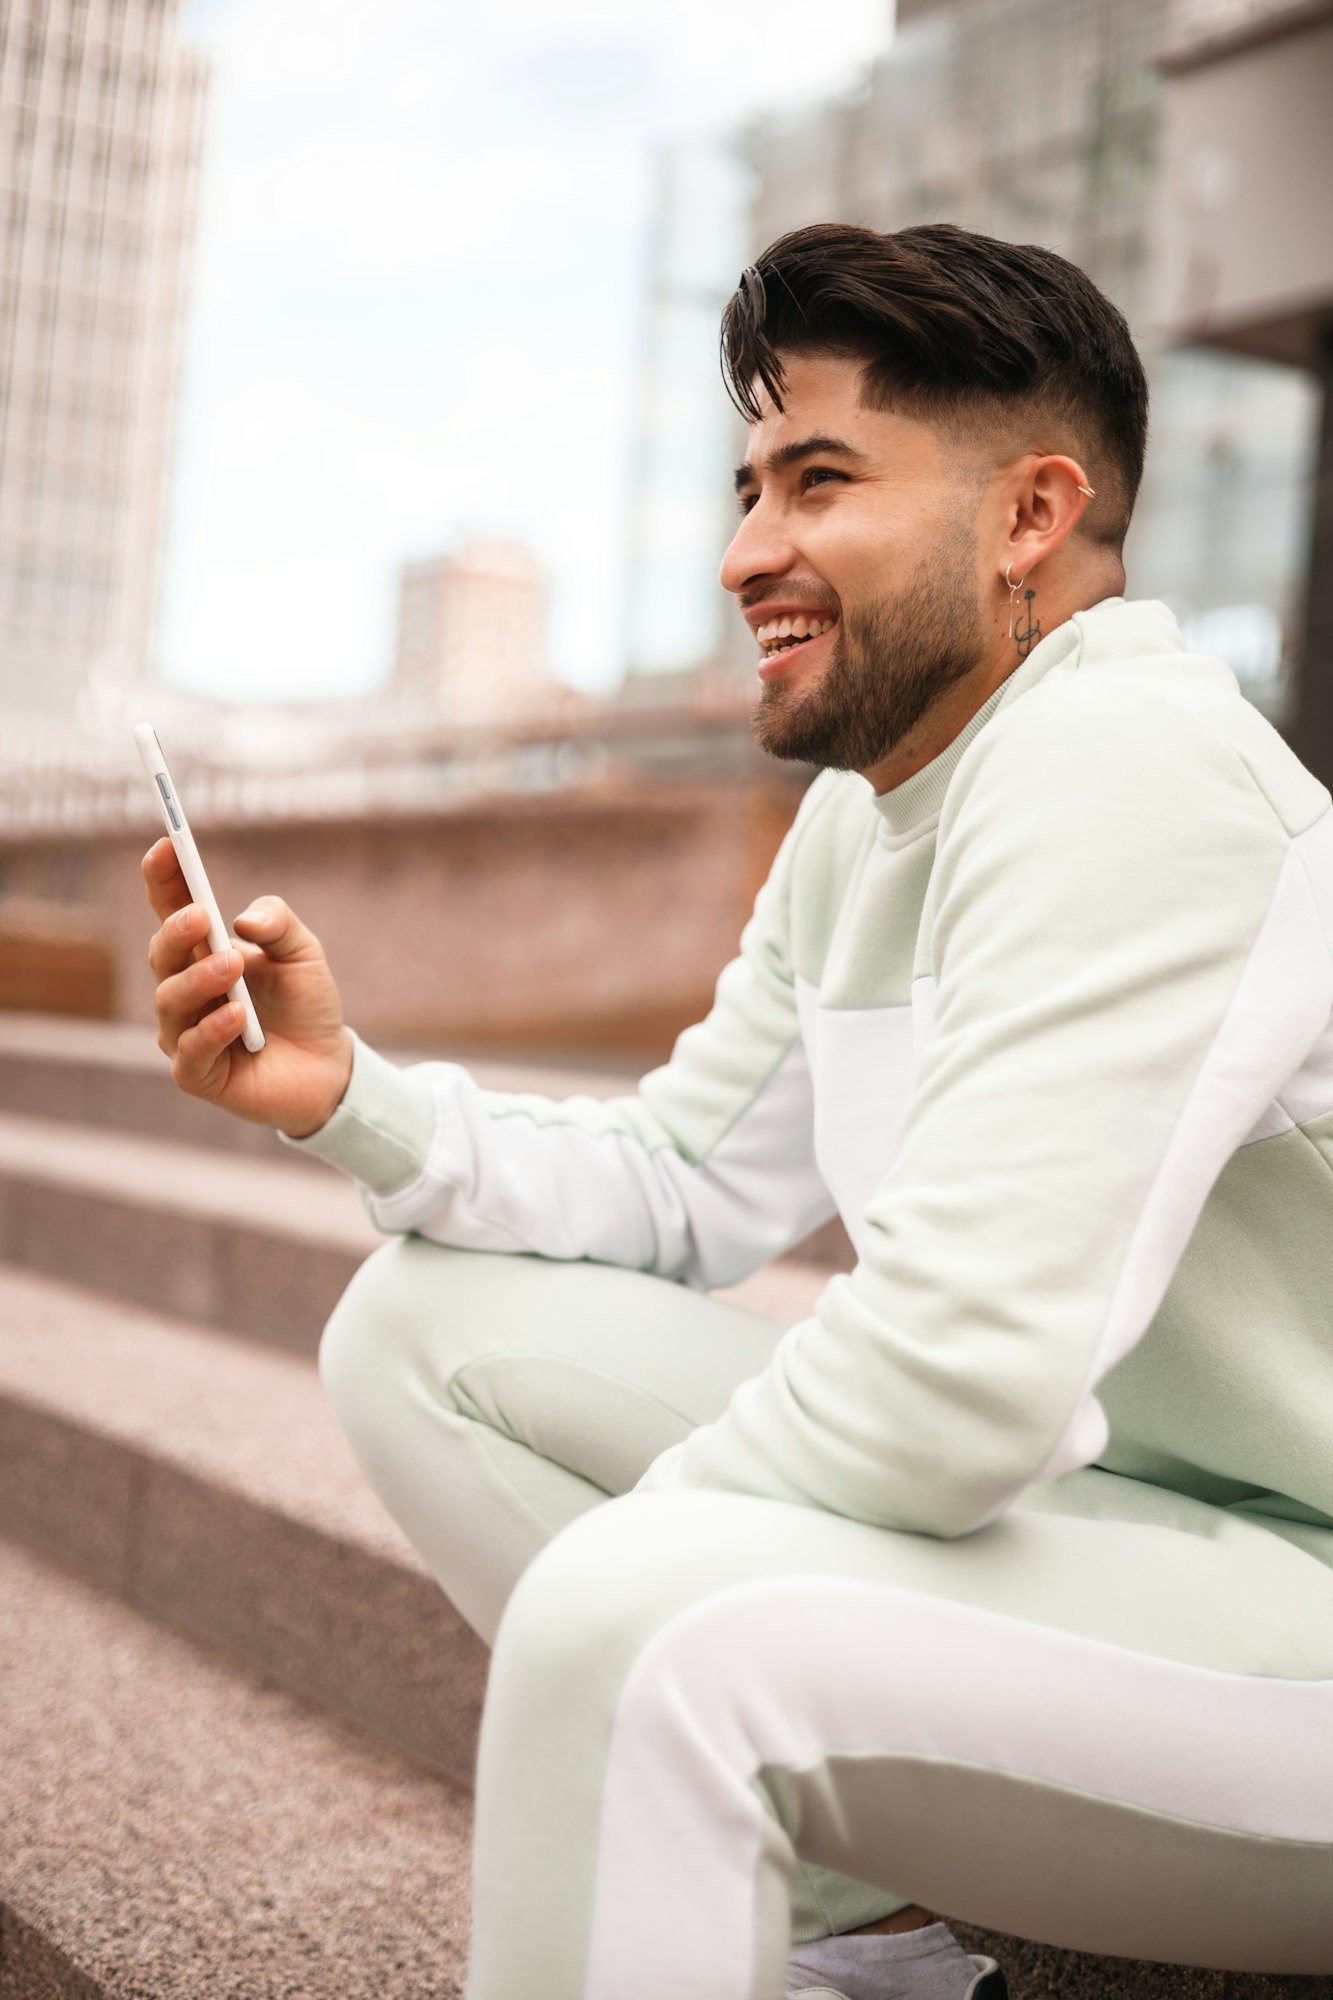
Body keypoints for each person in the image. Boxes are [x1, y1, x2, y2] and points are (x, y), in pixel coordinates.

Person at [142, 222, 1333, 2000]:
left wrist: (615, 1585)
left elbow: (956, 1387)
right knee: (423, 1326)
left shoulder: (1130, 762)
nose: (741, 554)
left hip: (1299, 1611)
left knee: (636, 1624)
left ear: (1028, 517)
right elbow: (689, 1175)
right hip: (1145, 1544)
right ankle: (862, 1945)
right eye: (746, 487)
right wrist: (353, 1103)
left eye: (817, 481)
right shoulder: (875, 813)